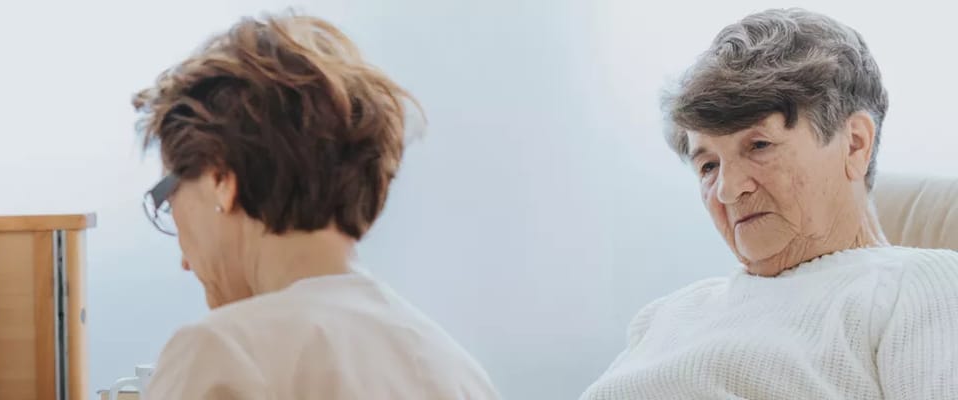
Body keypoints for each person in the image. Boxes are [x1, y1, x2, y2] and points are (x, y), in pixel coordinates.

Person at [580, 8, 958, 399]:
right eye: (708, 165)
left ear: (855, 143)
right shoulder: (667, 315)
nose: (727, 189)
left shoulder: (919, 286)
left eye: (759, 145)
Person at [128, 13, 501, 399]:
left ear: (221, 180)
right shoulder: (457, 371)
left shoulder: (222, 353)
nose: (185, 261)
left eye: (169, 199)